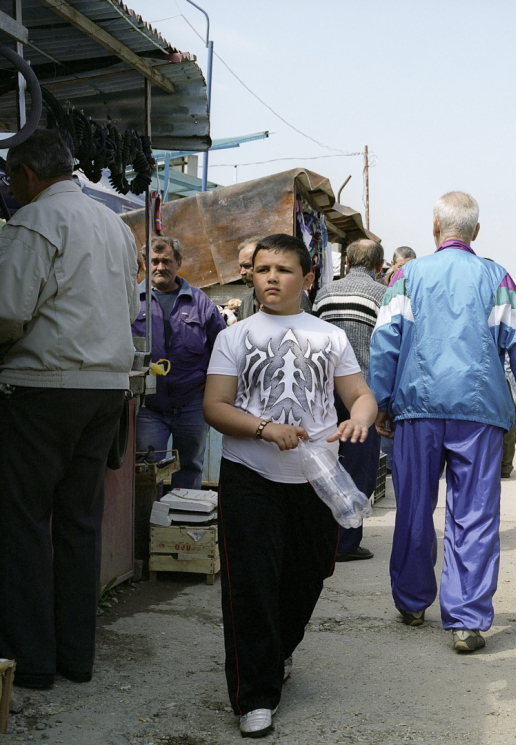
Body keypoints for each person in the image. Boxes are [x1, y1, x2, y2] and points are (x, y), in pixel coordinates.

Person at [204, 233, 377, 738]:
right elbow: (215, 406)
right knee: (250, 585)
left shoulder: (330, 336)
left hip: (315, 479)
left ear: (307, 279)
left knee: (307, 576)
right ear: (251, 277)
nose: (271, 278)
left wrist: (359, 419)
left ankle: (275, 652)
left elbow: (359, 394)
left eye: (282, 270)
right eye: (262, 270)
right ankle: (254, 696)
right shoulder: (234, 337)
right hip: (251, 475)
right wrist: (263, 428)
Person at [370, 191, 516, 653]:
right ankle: (467, 621)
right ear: (476, 231)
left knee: (412, 506)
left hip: (417, 407)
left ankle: (412, 602)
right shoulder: (497, 277)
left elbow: (385, 341)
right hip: (479, 412)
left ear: (435, 228)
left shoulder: (407, 275)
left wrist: (381, 402)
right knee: (474, 514)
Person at [0, 128, 138, 689]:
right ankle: (75, 657)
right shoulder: (112, 223)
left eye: (10, 178)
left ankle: (30, 662)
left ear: (28, 175)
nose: (10, 188)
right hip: (105, 390)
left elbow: (8, 313)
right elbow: (129, 306)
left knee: (23, 521)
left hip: (44, 388)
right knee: (79, 524)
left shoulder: (34, 220)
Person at [312, 238, 386, 561]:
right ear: (378, 266)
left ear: (348, 261)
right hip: (361, 393)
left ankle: (323, 536)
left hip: (325, 389)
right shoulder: (383, 295)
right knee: (359, 467)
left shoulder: (325, 293)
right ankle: (346, 542)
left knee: (325, 462)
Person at [133, 236, 227, 489]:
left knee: (191, 465)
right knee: (148, 468)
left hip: (192, 403)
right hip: (148, 406)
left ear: (179, 263)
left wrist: (211, 389)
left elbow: (223, 348)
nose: (160, 267)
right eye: (154, 261)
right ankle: (150, 524)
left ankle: (186, 523)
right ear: (145, 264)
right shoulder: (131, 301)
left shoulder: (200, 302)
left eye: (167, 261)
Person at [237, 235, 264, 318]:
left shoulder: (291, 299)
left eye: (247, 266)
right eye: (241, 266)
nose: (242, 272)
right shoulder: (246, 304)